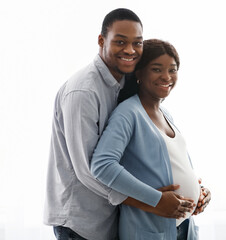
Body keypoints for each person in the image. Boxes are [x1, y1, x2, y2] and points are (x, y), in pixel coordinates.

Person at [43, 9, 196, 240]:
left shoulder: (126, 85)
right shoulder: (83, 92)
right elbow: (89, 171)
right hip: (81, 222)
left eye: (137, 43)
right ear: (101, 41)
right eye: (120, 42)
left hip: (113, 219)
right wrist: (153, 201)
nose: (130, 50)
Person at [90, 39, 208, 240]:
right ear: (139, 73)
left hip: (182, 228)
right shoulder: (128, 113)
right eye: (157, 69)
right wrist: (157, 199)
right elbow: (102, 165)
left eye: (173, 69)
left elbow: (175, 166)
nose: (167, 76)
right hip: (149, 230)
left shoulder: (166, 114)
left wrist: (200, 192)